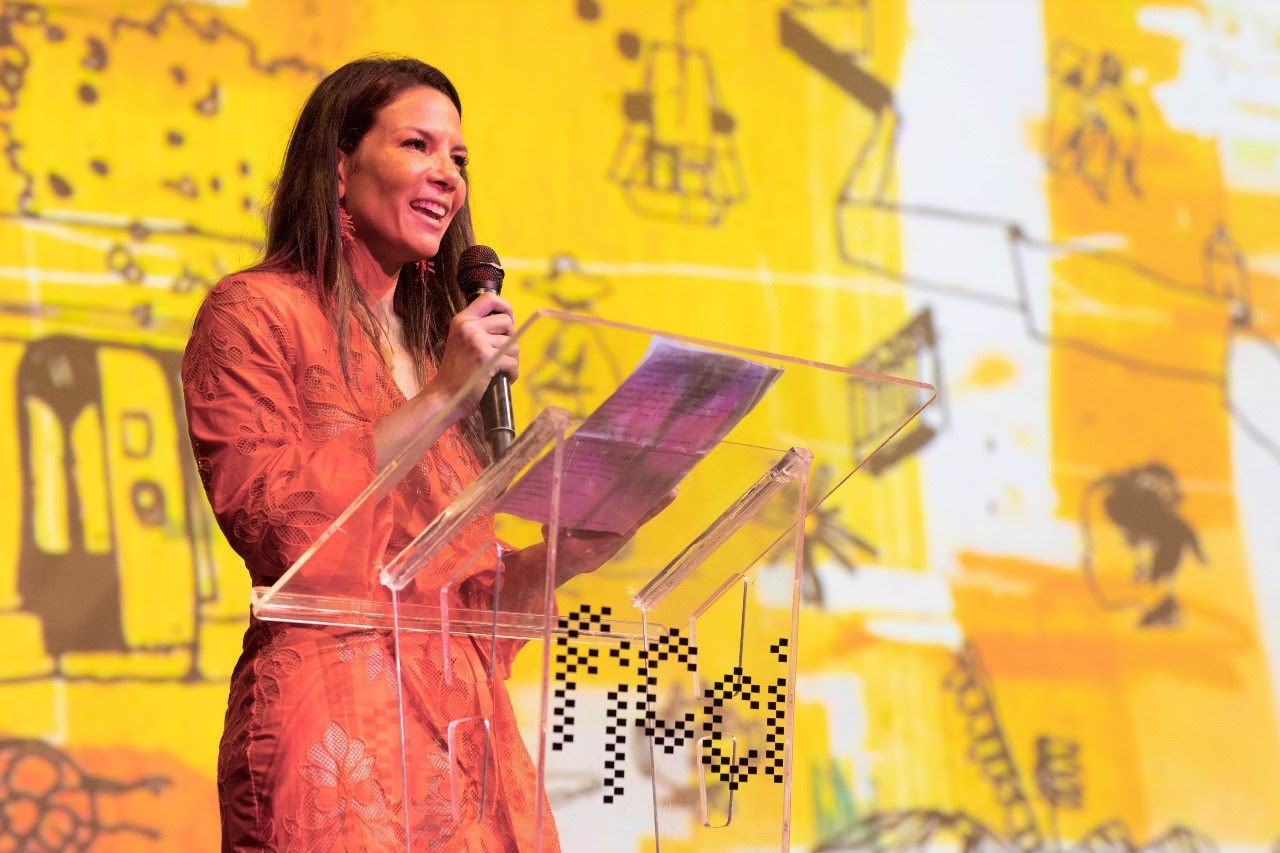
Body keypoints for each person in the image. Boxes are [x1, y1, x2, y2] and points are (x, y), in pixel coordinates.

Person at [183, 56, 620, 852]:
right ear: (338, 167)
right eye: (418, 145)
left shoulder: (436, 348)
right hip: (338, 739)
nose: (447, 175)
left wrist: (568, 551)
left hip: (468, 752)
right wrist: (442, 395)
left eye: (458, 157)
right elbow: (273, 523)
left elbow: (466, 601)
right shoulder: (254, 312)